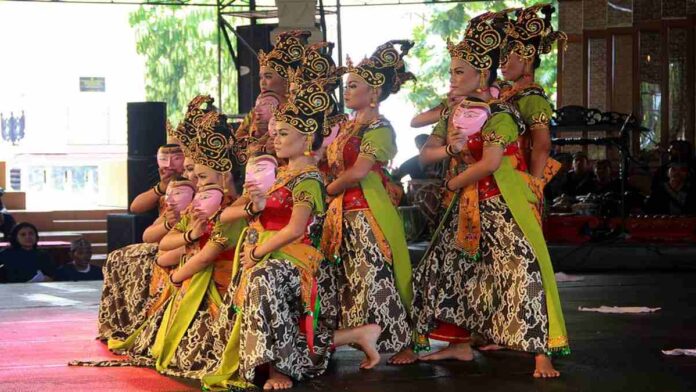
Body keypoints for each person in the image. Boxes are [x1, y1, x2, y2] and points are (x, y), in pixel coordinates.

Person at [412, 10, 568, 378]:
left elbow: (507, 158)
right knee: (450, 268)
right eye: (451, 72)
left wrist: (532, 185)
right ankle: (460, 343)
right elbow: (425, 150)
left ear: (483, 74)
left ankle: (541, 350)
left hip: (504, 197)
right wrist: (451, 150)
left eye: (459, 72)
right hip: (468, 200)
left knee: (524, 269)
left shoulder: (505, 112)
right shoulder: (455, 111)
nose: (451, 79)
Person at [204, 79, 380, 391]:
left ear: (307, 137)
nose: (276, 139)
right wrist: (252, 208)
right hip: (264, 254)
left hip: (297, 260)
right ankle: (357, 335)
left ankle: (281, 368)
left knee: (264, 278)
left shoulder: (309, 178)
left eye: (284, 133)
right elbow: (226, 215)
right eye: (275, 133)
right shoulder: (274, 175)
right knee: (254, 280)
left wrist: (258, 252)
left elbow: (296, 229)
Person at [321, 40, 417, 365]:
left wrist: (328, 189)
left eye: (353, 86)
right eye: (346, 85)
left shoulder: (380, 128)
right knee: (351, 278)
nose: (346, 91)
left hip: (367, 211)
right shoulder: (347, 127)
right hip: (341, 212)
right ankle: (366, 337)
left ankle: (404, 342)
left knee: (377, 274)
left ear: (373, 91)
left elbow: (360, 171)